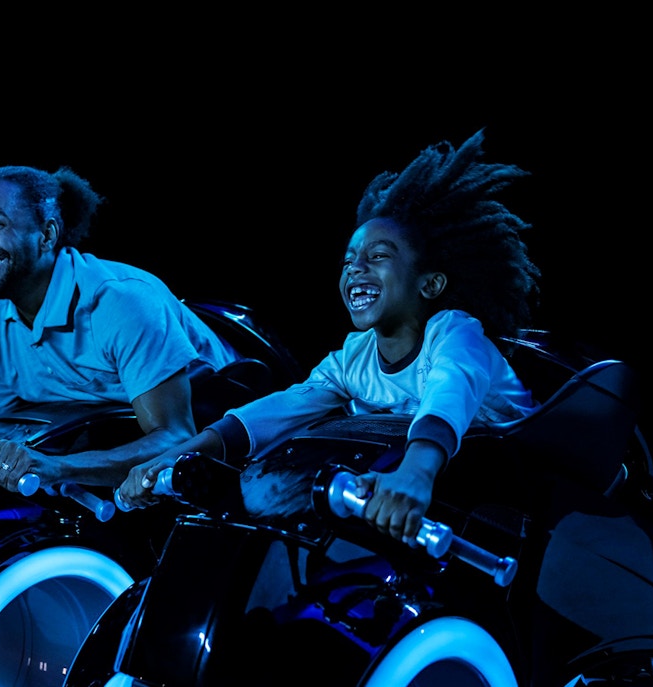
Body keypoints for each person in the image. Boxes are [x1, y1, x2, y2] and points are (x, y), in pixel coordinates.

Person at [116, 129, 542, 545]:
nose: (356, 268)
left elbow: (446, 396)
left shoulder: (455, 332)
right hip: (465, 495)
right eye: (348, 260)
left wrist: (415, 473)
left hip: (534, 495)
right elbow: (271, 415)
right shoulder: (352, 359)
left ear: (429, 284)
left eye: (377, 257)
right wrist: (177, 456)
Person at [0, 165, 244, 490]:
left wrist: (59, 468)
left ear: (47, 235)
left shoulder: (120, 303)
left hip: (231, 438)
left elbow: (177, 437)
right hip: (121, 452)